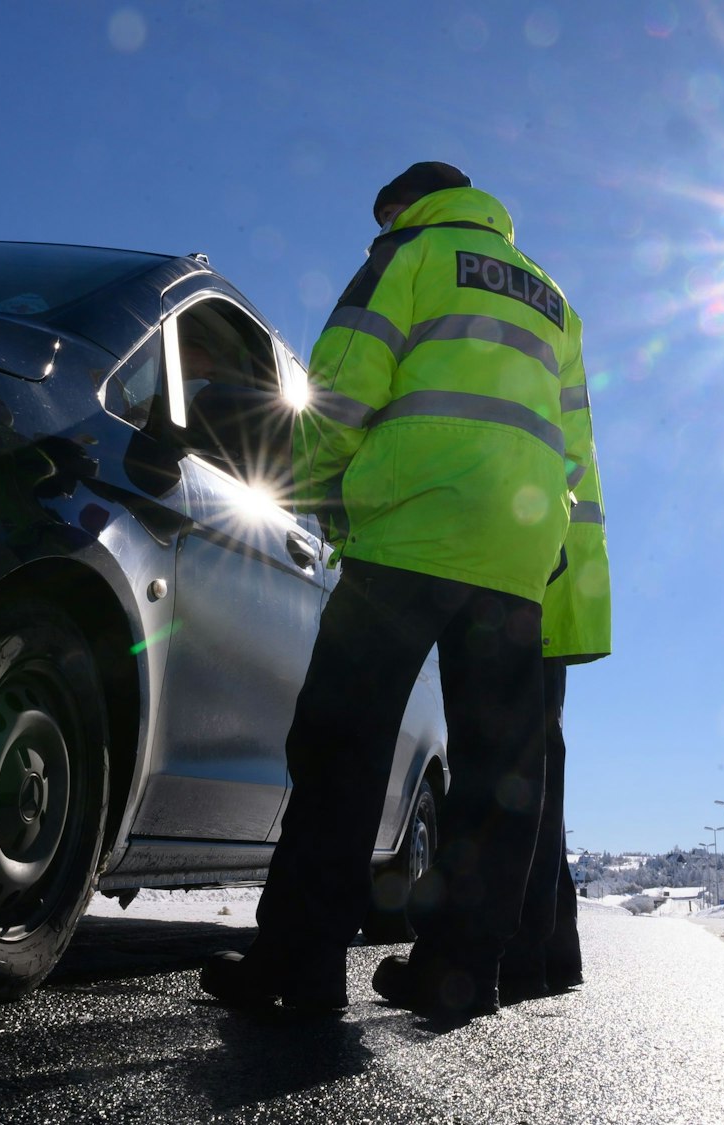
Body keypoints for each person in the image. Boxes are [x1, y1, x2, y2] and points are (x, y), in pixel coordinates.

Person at [200, 161, 590, 1019]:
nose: (377, 230)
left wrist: (312, 495)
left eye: (383, 215)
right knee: (496, 777)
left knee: (342, 747)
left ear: (406, 206)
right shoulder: (553, 298)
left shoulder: (407, 255)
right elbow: (575, 451)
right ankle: (461, 976)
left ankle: (299, 966)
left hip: (410, 529)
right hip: (519, 551)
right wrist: (564, 573)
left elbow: (341, 387)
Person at [499, 344, 611, 1003]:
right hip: (557, 568)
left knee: (519, 771)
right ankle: (550, 949)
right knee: (537, 765)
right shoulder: (556, 318)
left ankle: (521, 952)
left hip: (521, 565)